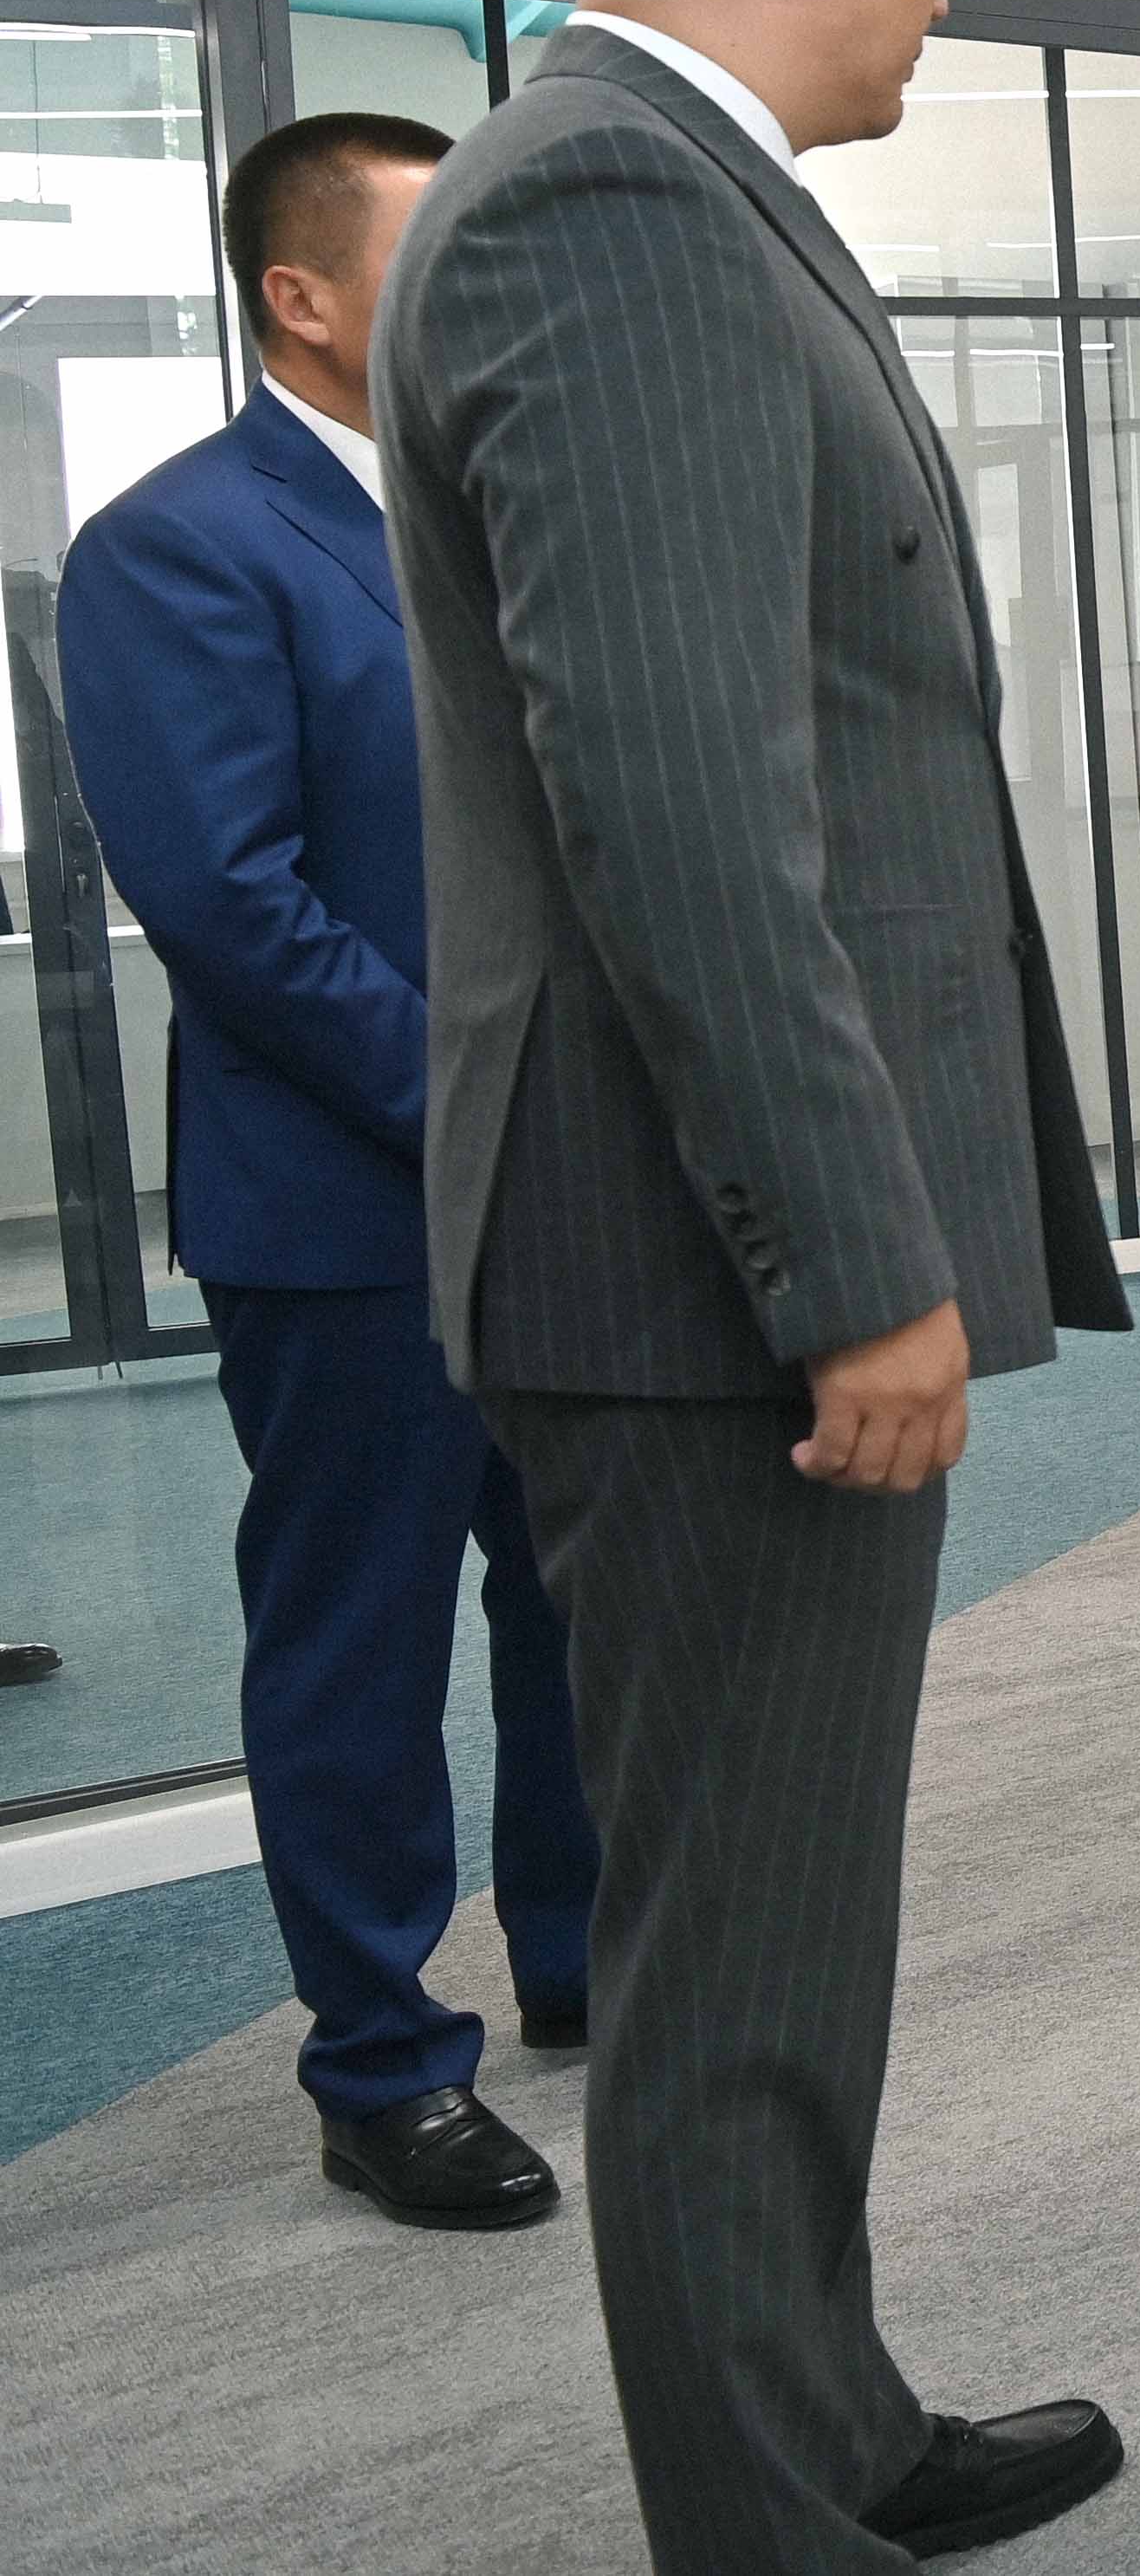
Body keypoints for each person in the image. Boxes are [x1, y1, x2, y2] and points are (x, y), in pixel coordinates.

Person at [372, 0, 1131, 2570]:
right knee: (730, 1946)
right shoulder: (610, 206)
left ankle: (826, 2418)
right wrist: (857, 1258)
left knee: (779, 1916)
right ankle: (769, 2515)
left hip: (698, 1246)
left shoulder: (661, 189)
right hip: (708, 1270)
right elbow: (684, 808)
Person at [55, 112, 599, 2234]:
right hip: (355, 1207)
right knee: (357, 1645)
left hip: (563, 1189)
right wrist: (481, 1099)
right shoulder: (180, 542)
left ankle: (579, 1953)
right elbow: (229, 901)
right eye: (437, 246)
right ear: (301, 295)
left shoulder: (500, 513)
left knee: (576, 1599)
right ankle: (381, 2067)